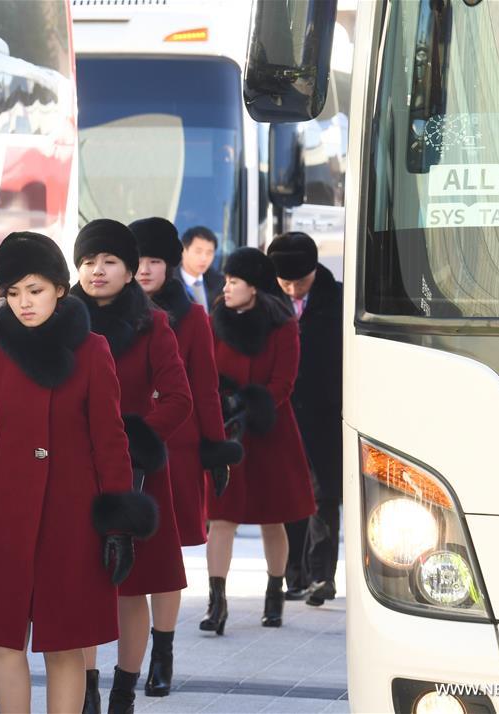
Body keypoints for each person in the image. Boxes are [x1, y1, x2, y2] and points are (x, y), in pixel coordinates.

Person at [0, 231, 158, 714]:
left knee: (64, 643)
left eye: (35, 290)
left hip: (72, 520)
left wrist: (118, 524)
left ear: (60, 289)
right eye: (13, 293)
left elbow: (110, 442)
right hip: (7, 517)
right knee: (3, 639)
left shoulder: (92, 351)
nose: (24, 303)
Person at [71, 218, 192, 714]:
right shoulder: (61, 322)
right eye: (88, 261)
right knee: (79, 585)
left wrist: (132, 439)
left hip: (136, 476)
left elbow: (179, 398)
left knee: (131, 587)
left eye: (109, 261)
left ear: (129, 270)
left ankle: (123, 693)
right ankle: (85, 692)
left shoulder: (153, 324)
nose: (97, 270)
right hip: (76, 472)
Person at [130, 217, 242, 697]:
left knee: (164, 559)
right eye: (138, 260)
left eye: (154, 261)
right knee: (122, 557)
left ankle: (163, 651)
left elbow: (205, 387)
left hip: (175, 449)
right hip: (120, 448)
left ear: (170, 265)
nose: (144, 269)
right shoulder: (104, 311)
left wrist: (215, 450)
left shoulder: (192, 317)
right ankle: (115, 664)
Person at [201, 247, 315, 634]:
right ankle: (217, 602)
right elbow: (206, 371)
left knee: (272, 518)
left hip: (270, 433)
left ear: (254, 286)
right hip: (227, 433)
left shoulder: (282, 325)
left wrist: (251, 405)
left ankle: (274, 592)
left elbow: (284, 382)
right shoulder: (216, 320)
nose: (225, 287)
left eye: (234, 281)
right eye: (226, 280)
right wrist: (223, 405)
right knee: (220, 518)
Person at [268, 232, 343, 606]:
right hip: (280, 415)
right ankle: (292, 576)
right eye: (286, 283)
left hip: (326, 413)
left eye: (301, 282)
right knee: (287, 495)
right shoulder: (265, 303)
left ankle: (321, 576)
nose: (294, 290)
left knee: (325, 495)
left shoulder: (339, 300)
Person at [179, 226, 225, 313]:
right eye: (198, 251)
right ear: (183, 251)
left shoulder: (221, 284)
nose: (204, 258)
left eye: (209, 253)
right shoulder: (166, 283)